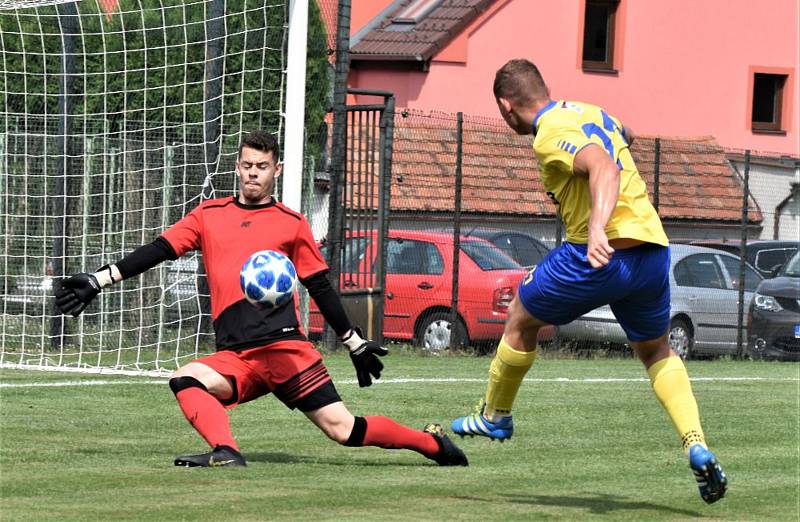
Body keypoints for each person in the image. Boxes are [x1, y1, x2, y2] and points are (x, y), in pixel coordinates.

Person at [55, 130, 467, 468]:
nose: (254, 173)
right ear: (237, 168)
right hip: (237, 355)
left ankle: (430, 445)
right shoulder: (208, 216)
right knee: (185, 379)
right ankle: (227, 452)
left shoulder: (291, 223)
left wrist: (353, 342)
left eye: (263, 167)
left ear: (277, 170)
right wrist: (99, 278)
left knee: (343, 431)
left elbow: (319, 285)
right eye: (248, 166)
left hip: (286, 350)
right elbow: (159, 249)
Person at [450, 59, 726, 503]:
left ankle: (496, 415)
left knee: (520, 317)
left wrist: (597, 226)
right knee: (657, 351)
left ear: (506, 106)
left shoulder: (548, 133)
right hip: (652, 250)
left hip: (598, 253)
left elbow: (603, 167)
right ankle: (696, 443)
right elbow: (626, 135)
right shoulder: (589, 111)